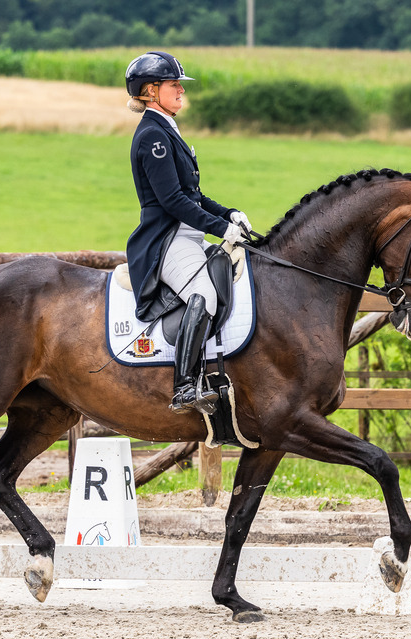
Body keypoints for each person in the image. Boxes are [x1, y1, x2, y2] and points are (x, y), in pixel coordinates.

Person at [124, 51, 252, 414]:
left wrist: (229, 213)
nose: (181, 89)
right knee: (205, 293)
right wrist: (221, 228)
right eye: (173, 84)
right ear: (151, 91)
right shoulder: (153, 137)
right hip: (167, 240)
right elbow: (173, 202)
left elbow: (193, 196)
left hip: (187, 234)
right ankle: (184, 387)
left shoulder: (167, 129)